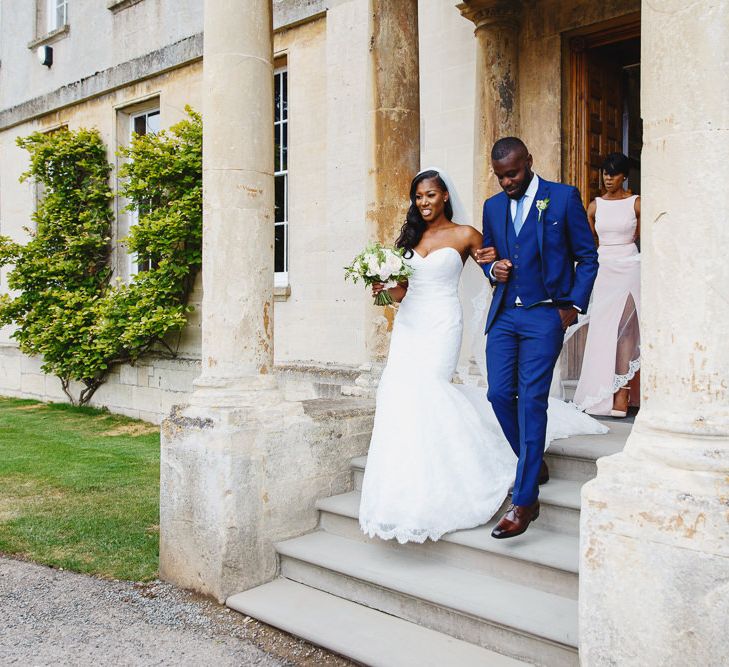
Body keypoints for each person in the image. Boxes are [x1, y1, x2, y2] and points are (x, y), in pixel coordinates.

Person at [358, 168, 606, 545]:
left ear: (444, 196)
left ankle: (498, 474)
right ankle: (407, 485)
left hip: (442, 324)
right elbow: (400, 295)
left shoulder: (467, 234)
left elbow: (495, 268)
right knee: (400, 395)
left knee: (431, 389)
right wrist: (383, 287)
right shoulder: (409, 239)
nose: (423, 203)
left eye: (430, 195)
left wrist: (496, 267)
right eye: (418, 197)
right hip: (409, 326)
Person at [480, 138, 599, 539]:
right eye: (500, 177)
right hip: (505, 315)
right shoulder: (493, 207)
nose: (507, 183)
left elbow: (588, 256)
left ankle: (525, 500)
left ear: (529, 162)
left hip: (546, 314)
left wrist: (573, 305)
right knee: (498, 394)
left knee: (531, 399)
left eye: (512, 173)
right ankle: (533, 461)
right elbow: (489, 254)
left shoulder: (562, 198)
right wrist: (492, 267)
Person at [573, 153, 641, 417]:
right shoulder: (595, 206)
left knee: (625, 330)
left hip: (629, 264)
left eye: (613, 173)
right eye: (605, 173)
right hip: (604, 267)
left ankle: (622, 394)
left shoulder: (637, 203)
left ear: (624, 176)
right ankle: (598, 392)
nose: (608, 178)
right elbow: (591, 240)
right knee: (602, 328)